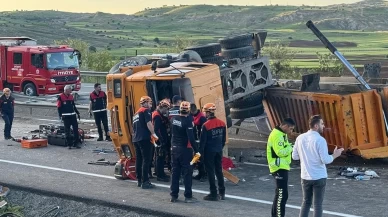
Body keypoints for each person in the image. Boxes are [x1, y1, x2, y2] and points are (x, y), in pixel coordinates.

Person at [292, 115, 344, 217]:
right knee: (317, 204)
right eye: (322, 124)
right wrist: (335, 155)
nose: (323, 126)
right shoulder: (320, 140)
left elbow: (295, 157)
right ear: (316, 126)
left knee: (306, 202)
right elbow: (325, 160)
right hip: (319, 176)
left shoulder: (300, 138)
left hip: (305, 176)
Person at [170, 101, 200, 203]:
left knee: (175, 173)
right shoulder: (187, 121)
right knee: (187, 173)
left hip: (174, 148)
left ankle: (174, 195)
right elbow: (191, 138)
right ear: (188, 111)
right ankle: (188, 196)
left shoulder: (174, 119)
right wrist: (197, 151)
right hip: (185, 150)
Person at [266, 117, 296, 217]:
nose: (291, 131)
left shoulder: (281, 134)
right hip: (278, 167)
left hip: (281, 166)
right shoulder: (277, 135)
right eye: (291, 129)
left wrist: (288, 146)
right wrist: (291, 147)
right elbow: (280, 152)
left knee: (280, 194)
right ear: (285, 126)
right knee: (281, 195)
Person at [200, 103, 227, 201]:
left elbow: (202, 142)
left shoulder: (205, 126)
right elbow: (223, 139)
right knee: (219, 170)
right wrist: (220, 147)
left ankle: (213, 193)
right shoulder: (222, 123)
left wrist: (200, 154)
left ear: (207, 112)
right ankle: (222, 192)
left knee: (210, 172)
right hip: (218, 150)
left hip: (209, 151)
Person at [132, 96, 158, 189]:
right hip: (145, 138)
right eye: (150, 103)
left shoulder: (136, 114)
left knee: (139, 160)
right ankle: (145, 181)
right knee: (146, 160)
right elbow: (149, 123)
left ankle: (139, 180)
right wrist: (153, 133)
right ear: (146, 103)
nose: (151, 105)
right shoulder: (145, 111)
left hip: (136, 139)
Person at [152, 99, 171, 182]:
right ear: (162, 107)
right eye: (166, 109)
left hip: (158, 139)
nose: (166, 111)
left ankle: (158, 172)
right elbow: (156, 129)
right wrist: (161, 140)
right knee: (160, 157)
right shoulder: (157, 116)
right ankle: (160, 175)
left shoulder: (158, 114)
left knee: (158, 156)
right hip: (159, 140)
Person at [191, 103, 208, 182]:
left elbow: (205, 130)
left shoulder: (201, 118)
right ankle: (200, 173)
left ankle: (204, 174)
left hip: (201, 141)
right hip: (197, 140)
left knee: (201, 158)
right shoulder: (194, 116)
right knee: (197, 158)